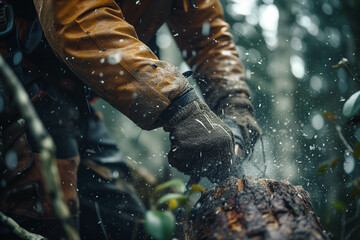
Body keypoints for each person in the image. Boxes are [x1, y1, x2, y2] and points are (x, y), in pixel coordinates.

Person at [0, 0, 261, 239]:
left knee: (127, 225)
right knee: (43, 221)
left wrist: (233, 101)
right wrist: (180, 108)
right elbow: (82, 20)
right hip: (15, 91)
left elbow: (209, 37)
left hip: (70, 104)